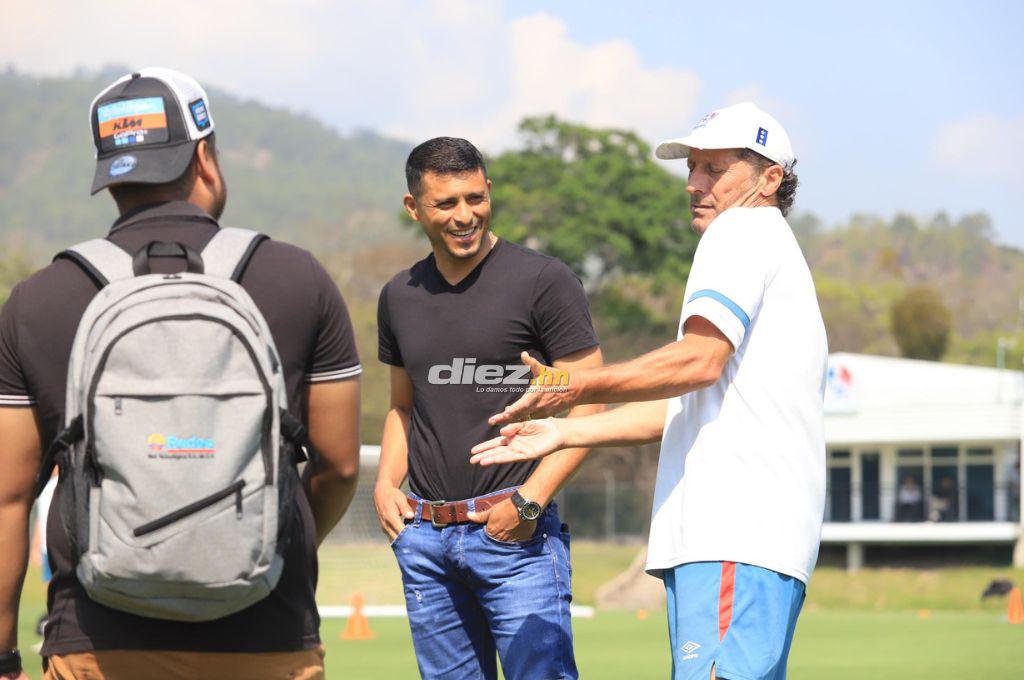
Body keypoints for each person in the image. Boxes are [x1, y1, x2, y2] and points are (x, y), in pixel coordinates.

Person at [0, 68, 362, 680]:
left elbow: (8, 496)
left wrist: (3, 656)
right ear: (205, 156)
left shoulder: (40, 299)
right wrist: (264, 539)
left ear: (109, 175)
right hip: (268, 636)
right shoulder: (298, 279)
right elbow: (342, 466)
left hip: (95, 641)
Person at [471, 103, 825, 680]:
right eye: (692, 167)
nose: (693, 184)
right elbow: (682, 407)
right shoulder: (774, 246)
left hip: (734, 532)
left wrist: (576, 382)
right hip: (751, 538)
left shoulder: (741, 231)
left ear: (770, 178)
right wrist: (567, 429)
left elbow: (698, 362)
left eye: (714, 168)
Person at [373, 137, 603, 679]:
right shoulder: (398, 296)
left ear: (489, 191)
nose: (464, 216)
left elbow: (590, 408)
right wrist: (385, 485)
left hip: (516, 534)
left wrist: (528, 503)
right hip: (425, 540)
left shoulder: (544, 282)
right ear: (414, 208)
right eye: (446, 204)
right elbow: (403, 409)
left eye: (475, 198)